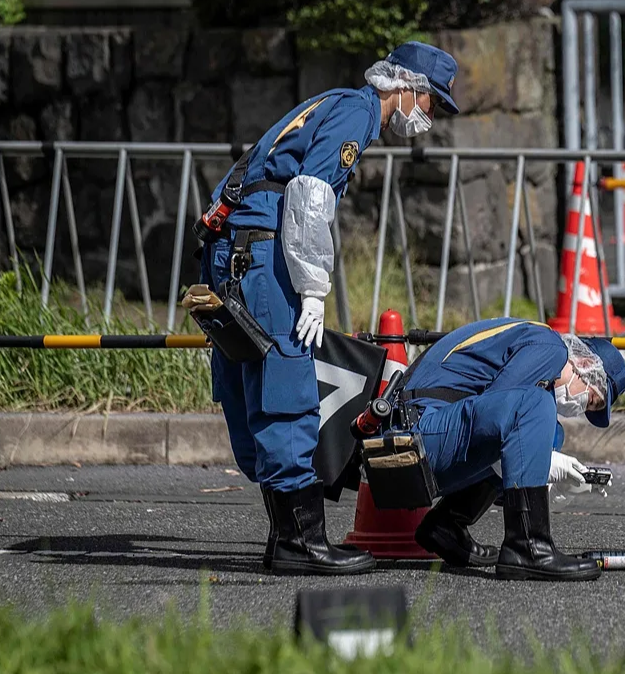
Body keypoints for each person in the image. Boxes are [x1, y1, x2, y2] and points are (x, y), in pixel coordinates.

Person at [196, 42, 460, 576]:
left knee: (253, 376)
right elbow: (311, 195)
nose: (428, 118)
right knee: (288, 379)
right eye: (431, 103)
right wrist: (314, 287)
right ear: (406, 87)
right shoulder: (358, 111)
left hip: (233, 247)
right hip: (263, 248)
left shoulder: (331, 101)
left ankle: (285, 537)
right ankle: (301, 541)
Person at [388, 317, 625, 581]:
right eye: (591, 400)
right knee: (533, 405)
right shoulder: (550, 347)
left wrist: (544, 484)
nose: (581, 409)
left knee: (550, 433)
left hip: (418, 433)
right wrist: (547, 466)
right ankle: (527, 547)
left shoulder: (534, 343)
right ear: (585, 365)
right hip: (417, 433)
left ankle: (447, 524)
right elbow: (501, 421)